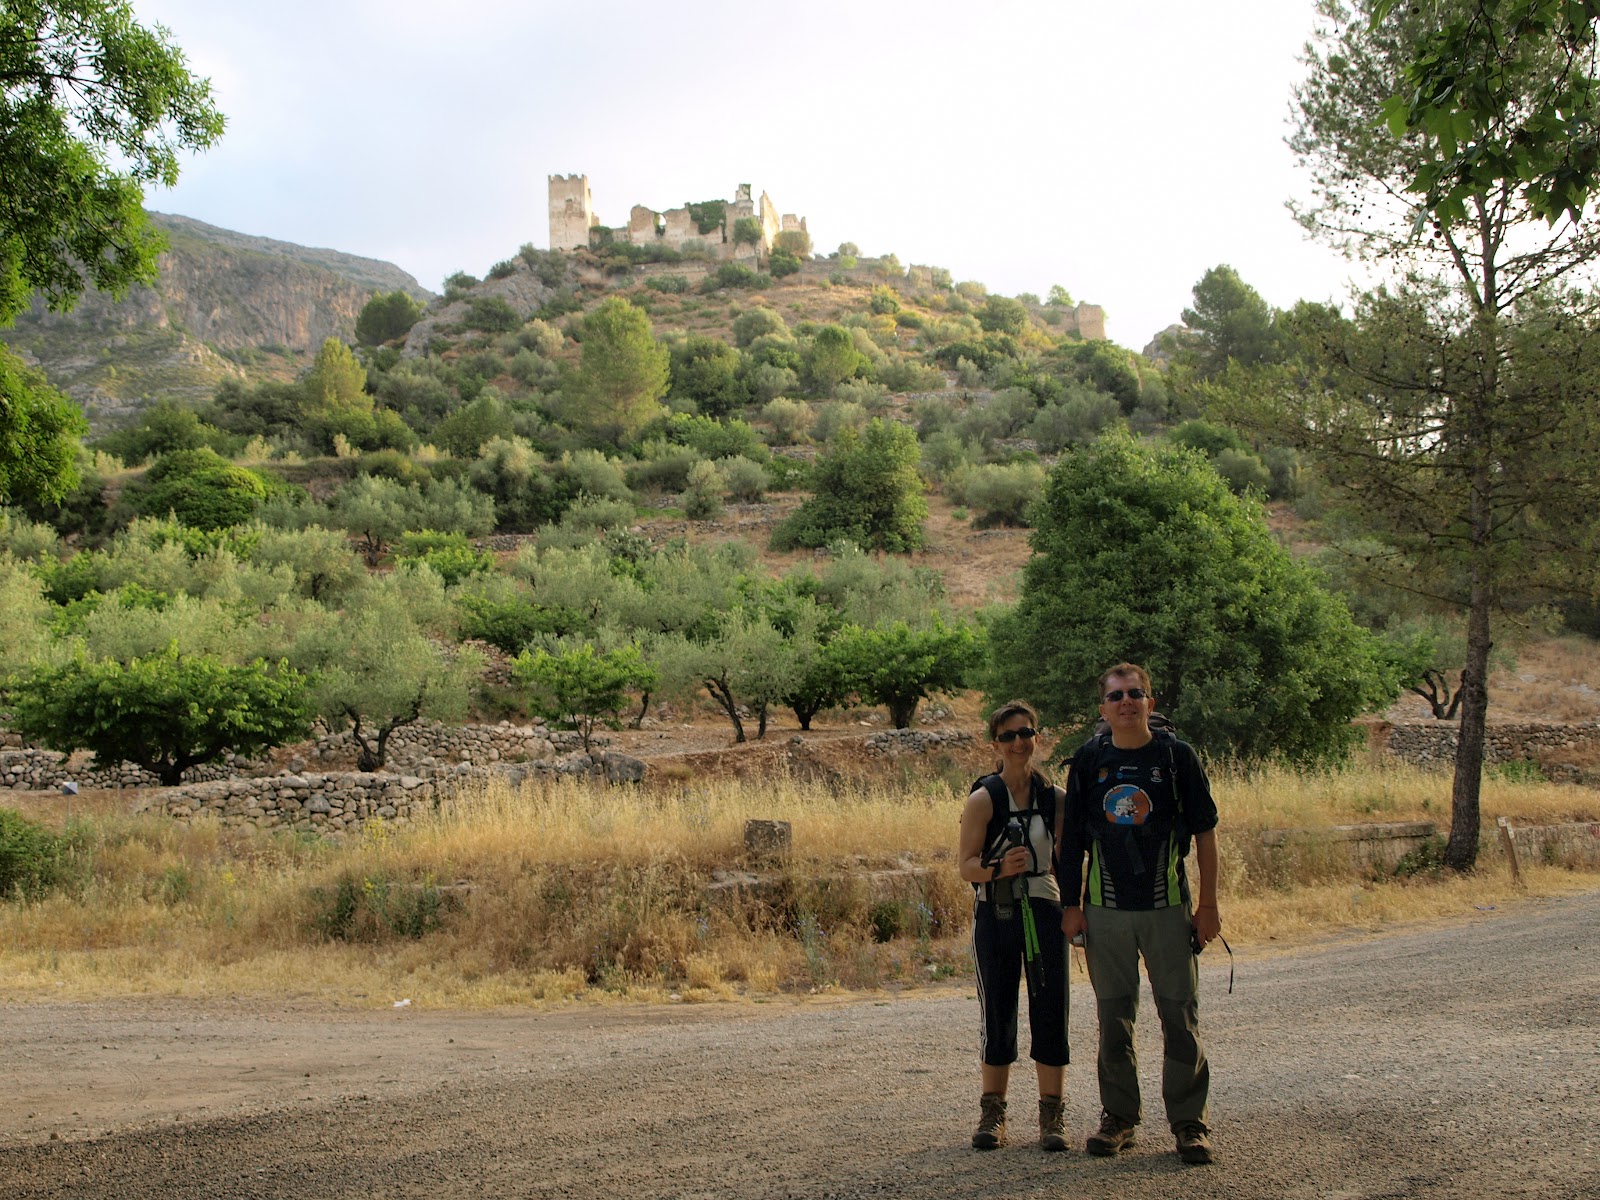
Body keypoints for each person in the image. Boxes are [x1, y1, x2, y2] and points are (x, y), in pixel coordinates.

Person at [1058, 663, 1221, 1166]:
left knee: (1180, 1014)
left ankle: (1189, 1124)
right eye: (1116, 696)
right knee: (1114, 1018)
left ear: (1150, 702)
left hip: (1167, 908)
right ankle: (1119, 1119)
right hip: (1105, 913)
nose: (1126, 702)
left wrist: (1209, 906)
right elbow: (1072, 845)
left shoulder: (1177, 758)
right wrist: (1070, 907)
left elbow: (1205, 834)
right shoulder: (1088, 761)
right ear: (1102, 708)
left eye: (1135, 694)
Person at [957, 700, 1070, 1151]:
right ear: (996, 744)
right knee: (998, 1010)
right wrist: (999, 868)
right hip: (997, 912)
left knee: (1051, 1008)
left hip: (1045, 909)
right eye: (1009, 736)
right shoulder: (984, 800)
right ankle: (993, 1112)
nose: (1020, 742)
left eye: (1026, 733)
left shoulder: (1054, 798)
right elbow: (966, 866)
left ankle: (1052, 1115)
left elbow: (1068, 860)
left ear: (1037, 737)